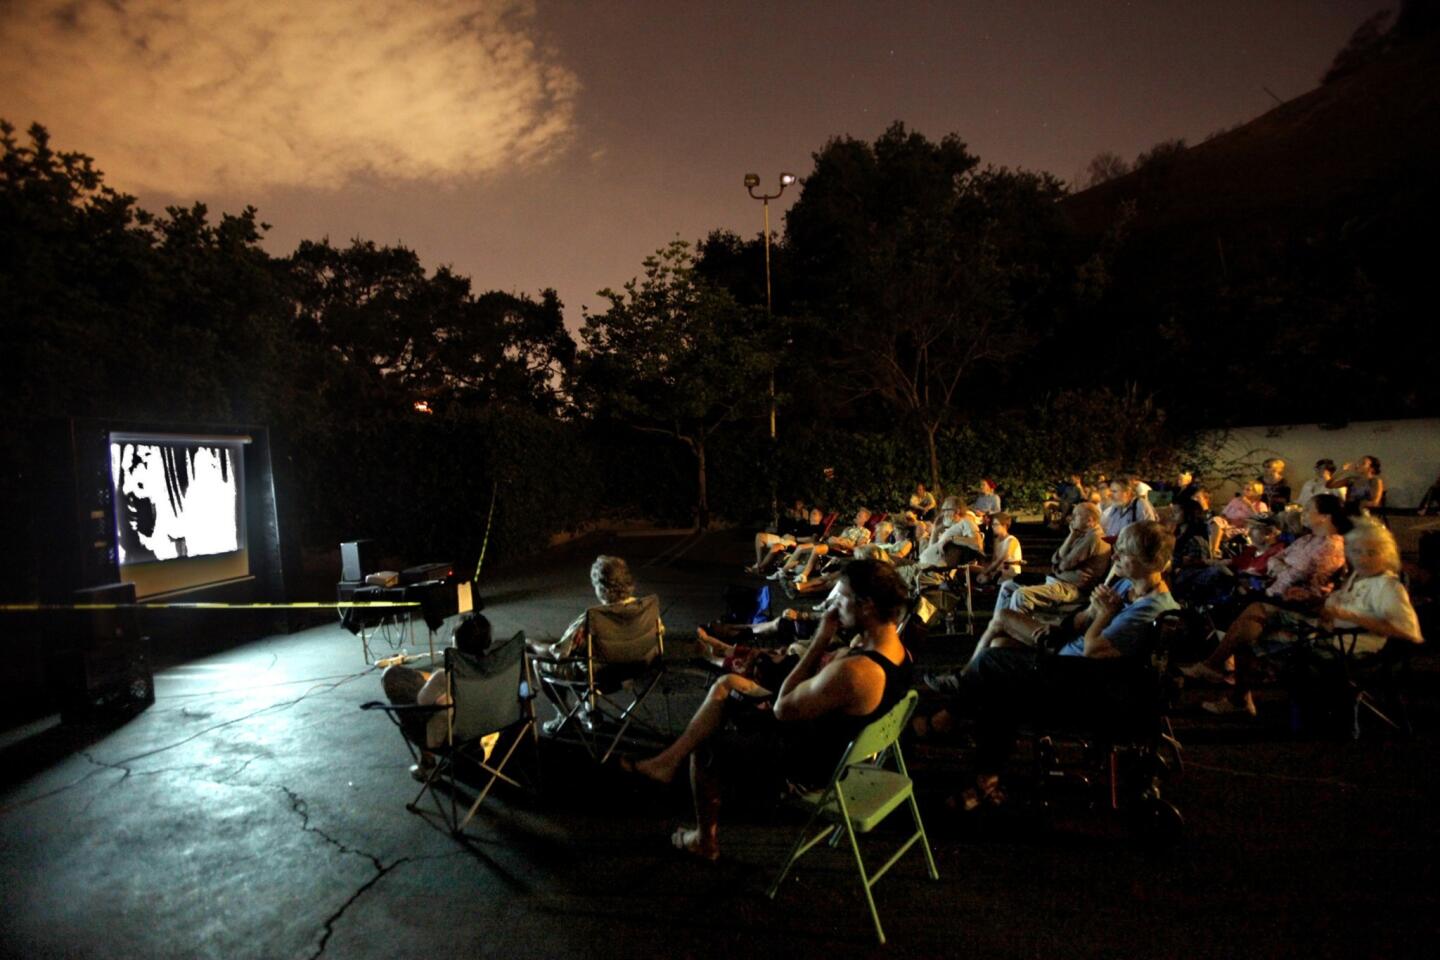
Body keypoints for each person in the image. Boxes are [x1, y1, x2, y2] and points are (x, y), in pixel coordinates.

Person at [622, 559, 912, 861]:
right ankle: (666, 763)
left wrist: (820, 640)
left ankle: (703, 840)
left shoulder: (858, 671)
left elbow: (781, 709)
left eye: (841, 598)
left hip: (810, 766)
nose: (832, 607)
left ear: (866, 605)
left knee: (707, 750)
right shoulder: (898, 652)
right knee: (730, 683)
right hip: (832, 741)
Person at [927, 521, 1177, 803]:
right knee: (997, 665)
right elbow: (1083, 618)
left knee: (993, 664)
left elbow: (1091, 650)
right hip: (1073, 671)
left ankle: (949, 720)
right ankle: (984, 774)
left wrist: (1105, 613)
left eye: (1123, 554)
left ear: (1149, 562)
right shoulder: (1125, 584)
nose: (1114, 557)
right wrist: (1082, 617)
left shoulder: (1150, 609)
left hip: (1084, 687)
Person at [1184, 521, 1421, 715]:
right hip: (1325, 629)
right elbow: (1335, 608)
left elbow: (1408, 632)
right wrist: (1311, 600)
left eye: (1369, 551)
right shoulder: (1358, 578)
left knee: (1248, 631)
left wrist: (1344, 614)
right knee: (1252, 618)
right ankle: (1227, 683)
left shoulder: (1387, 586)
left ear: (1385, 553)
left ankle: (1228, 685)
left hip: (1344, 644)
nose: (1359, 556)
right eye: (1356, 550)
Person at [529, 555, 660, 733]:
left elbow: (560, 652)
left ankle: (564, 717)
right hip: (635, 670)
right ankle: (589, 711)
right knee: (589, 658)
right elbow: (659, 633)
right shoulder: (644, 609)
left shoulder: (593, 618)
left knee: (541, 663)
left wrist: (534, 645)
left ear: (601, 588)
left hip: (601, 676)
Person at [382, 612, 495, 779]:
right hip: (490, 730)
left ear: (456, 642)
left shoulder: (445, 676)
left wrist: (431, 683)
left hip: (451, 739)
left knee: (392, 676)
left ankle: (427, 765)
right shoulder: (497, 669)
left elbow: (422, 702)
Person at [994, 502, 1111, 615]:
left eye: (1076, 515)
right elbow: (1055, 559)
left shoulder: (1094, 538)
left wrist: (1059, 564)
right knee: (1008, 586)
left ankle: (1016, 630)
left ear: (1090, 520)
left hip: (1070, 588)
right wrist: (1071, 536)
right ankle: (999, 625)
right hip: (1057, 581)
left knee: (1021, 594)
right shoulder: (1081, 535)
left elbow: (1064, 564)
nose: (1071, 518)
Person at [973, 513, 1022, 585]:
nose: (993, 527)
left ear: (1004, 525)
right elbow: (994, 560)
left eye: (996, 524)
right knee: (972, 570)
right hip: (998, 571)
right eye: (992, 524)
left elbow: (1001, 559)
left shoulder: (1011, 540)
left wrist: (986, 572)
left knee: (981, 578)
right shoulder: (996, 540)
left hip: (1009, 572)